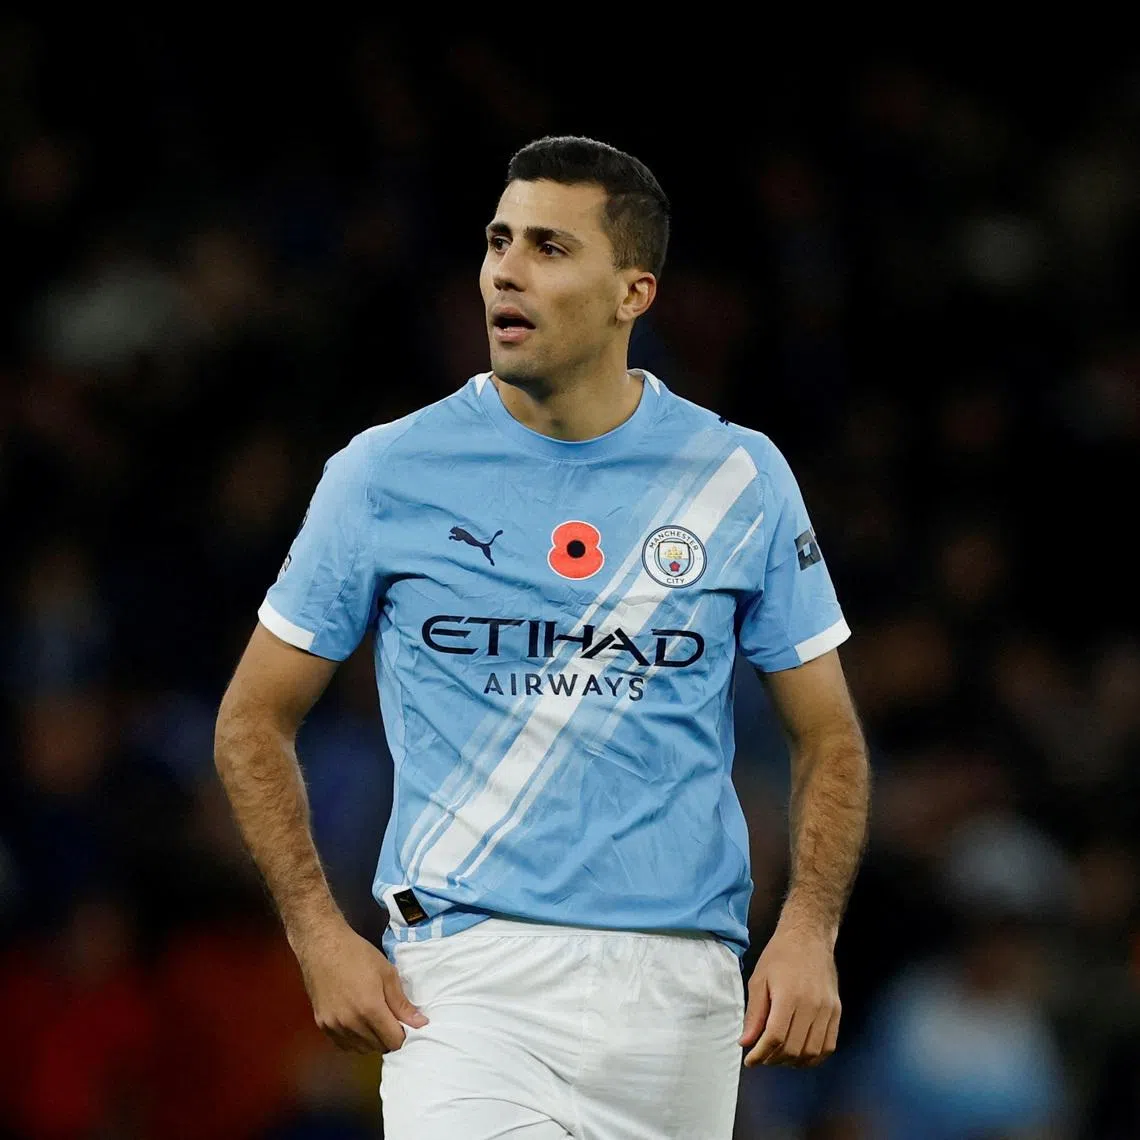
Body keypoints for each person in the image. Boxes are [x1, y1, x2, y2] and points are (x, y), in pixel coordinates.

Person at [214, 135, 871, 1140]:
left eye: (551, 248)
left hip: (683, 991)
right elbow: (251, 721)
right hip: (467, 984)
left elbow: (829, 737)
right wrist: (317, 936)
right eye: (498, 241)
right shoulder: (385, 472)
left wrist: (809, 932)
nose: (506, 271)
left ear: (632, 294)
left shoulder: (739, 477)